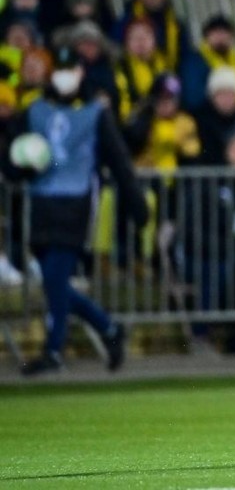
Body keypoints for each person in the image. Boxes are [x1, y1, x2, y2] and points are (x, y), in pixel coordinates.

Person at [1, 46, 149, 375]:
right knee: (56, 284)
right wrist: (22, 166)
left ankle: (54, 349)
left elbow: (119, 160)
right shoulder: (35, 111)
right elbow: (10, 158)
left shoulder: (95, 114)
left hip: (76, 203)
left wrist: (136, 204)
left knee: (55, 278)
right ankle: (109, 328)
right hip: (40, 205)